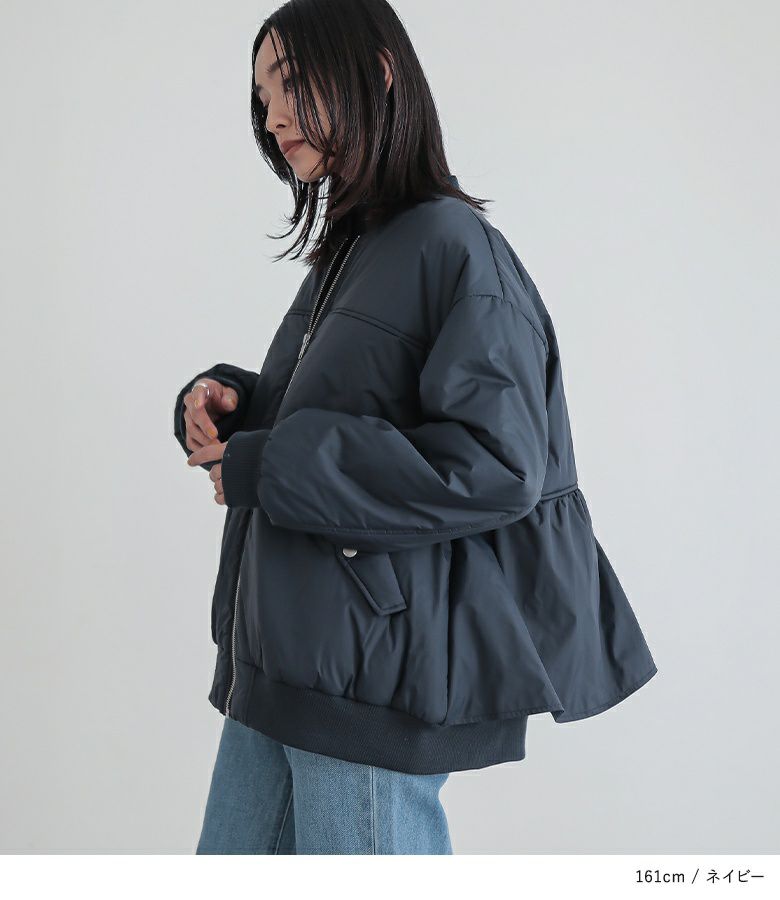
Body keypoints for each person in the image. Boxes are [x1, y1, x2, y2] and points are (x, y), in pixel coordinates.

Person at [173, 0, 658, 855]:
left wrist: (268, 462)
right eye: (262, 95)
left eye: (291, 82)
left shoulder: (451, 245)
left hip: (366, 683)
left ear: (379, 72)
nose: (273, 116)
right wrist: (238, 403)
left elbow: (495, 464)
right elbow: (355, 416)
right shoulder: (359, 246)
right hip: (284, 665)